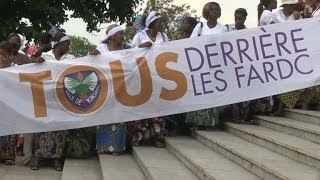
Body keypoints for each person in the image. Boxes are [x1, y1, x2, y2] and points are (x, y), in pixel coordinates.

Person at [30, 32, 74, 171]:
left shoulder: (71, 58)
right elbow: (30, 70)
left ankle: (56, 159)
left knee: (58, 129)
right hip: (45, 98)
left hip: (62, 99)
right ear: (60, 44)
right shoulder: (45, 56)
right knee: (41, 128)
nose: (68, 47)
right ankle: (37, 157)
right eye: (67, 44)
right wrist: (35, 62)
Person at [129, 11, 168, 148]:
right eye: (159, 22)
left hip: (158, 76)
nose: (161, 24)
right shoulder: (139, 36)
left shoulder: (163, 36)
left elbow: (169, 52)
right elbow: (129, 54)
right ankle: (139, 137)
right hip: (142, 76)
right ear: (152, 23)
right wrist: (141, 48)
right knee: (141, 107)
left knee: (158, 108)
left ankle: (157, 137)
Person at [186, 2, 226, 130]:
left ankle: (209, 123)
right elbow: (191, 43)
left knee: (212, 95)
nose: (214, 12)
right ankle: (198, 122)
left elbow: (225, 46)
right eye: (211, 9)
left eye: (216, 10)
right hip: (200, 66)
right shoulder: (200, 27)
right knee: (201, 94)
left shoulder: (223, 29)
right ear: (207, 12)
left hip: (214, 66)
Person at [92, 24, 128, 155]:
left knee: (118, 116)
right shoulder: (101, 48)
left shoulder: (125, 50)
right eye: (121, 34)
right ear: (112, 36)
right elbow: (92, 64)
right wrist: (93, 55)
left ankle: (117, 147)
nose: (123, 37)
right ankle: (102, 146)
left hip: (120, 88)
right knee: (103, 116)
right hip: (104, 88)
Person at [0, 41, 16, 165]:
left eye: (4, 54)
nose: (1, 57)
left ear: (10, 56)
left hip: (8, 105)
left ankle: (6, 155)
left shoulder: (15, 69)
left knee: (7, 130)